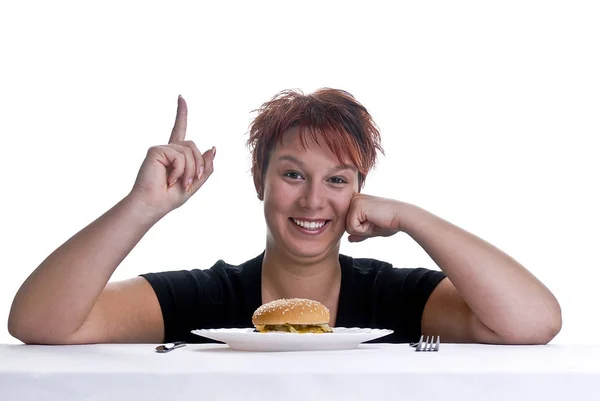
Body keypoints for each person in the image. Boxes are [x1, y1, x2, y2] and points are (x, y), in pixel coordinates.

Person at [8, 89, 562, 345]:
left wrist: (413, 218)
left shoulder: (394, 301)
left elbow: (534, 323)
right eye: (293, 174)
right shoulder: (209, 299)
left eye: (338, 179)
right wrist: (142, 207)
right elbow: (39, 324)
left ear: (360, 194)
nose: (313, 200)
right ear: (259, 181)